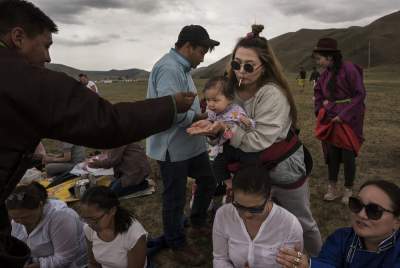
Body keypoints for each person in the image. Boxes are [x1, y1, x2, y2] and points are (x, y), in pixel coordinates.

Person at [0, 1, 195, 265]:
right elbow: (108, 122)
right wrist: (171, 105)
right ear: (18, 36)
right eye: (46, 45)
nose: (48, 58)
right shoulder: (21, 79)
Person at [189, 24, 322, 256]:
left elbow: (259, 140)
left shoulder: (272, 94)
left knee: (300, 220)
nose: (241, 71)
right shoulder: (229, 90)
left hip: (281, 167)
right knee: (256, 218)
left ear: (265, 66)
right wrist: (213, 131)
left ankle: (318, 259)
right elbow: (221, 130)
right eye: (236, 63)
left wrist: (223, 130)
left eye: (249, 66)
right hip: (247, 166)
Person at [146, 24, 219, 265]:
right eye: (202, 51)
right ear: (188, 47)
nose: (203, 57)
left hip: (190, 144)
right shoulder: (169, 68)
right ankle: (176, 243)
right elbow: (172, 110)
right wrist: (198, 118)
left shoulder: (184, 67)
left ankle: (197, 224)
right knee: (175, 197)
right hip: (173, 147)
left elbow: (186, 105)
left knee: (208, 181)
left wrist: (200, 114)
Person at [277, 180, 400, 268]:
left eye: (374, 211)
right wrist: (308, 265)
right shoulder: (341, 238)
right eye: (357, 204)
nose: (362, 215)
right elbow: (327, 263)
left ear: (397, 221)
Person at [213, 165, 303, 268]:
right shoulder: (224, 215)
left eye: (255, 208)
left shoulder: (290, 226)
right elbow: (220, 258)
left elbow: (293, 264)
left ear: (269, 196)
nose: (247, 214)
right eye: (239, 206)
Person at [312, 37, 366, 204]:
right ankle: (333, 187)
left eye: (320, 58)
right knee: (332, 154)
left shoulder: (350, 69)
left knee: (348, 154)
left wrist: (343, 115)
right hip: (330, 119)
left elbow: (360, 94)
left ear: (329, 57)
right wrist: (321, 109)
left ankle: (348, 189)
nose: (318, 62)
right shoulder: (324, 75)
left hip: (348, 120)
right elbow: (318, 93)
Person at [7, 182, 87, 268]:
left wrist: (39, 265)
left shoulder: (61, 218)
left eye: (26, 217)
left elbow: (65, 258)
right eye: (15, 218)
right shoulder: (17, 221)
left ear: (40, 205)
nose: (20, 221)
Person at [80, 186, 149, 268]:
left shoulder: (134, 235)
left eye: (95, 220)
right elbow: (93, 263)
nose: (90, 224)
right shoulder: (89, 229)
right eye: (86, 218)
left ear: (112, 211)